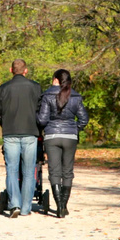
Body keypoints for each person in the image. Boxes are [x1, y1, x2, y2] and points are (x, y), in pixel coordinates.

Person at [36, 69, 88, 218]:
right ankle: (63, 206)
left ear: (56, 80)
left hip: (52, 136)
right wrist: (74, 129)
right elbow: (84, 119)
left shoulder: (47, 95)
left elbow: (43, 120)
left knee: (54, 172)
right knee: (67, 172)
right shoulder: (76, 96)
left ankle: (59, 205)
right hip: (70, 137)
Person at [0, 59, 42, 218]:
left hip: (10, 133)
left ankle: (14, 203)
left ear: (11, 70)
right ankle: (26, 208)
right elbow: (40, 110)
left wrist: (6, 125)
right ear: (25, 71)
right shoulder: (35, 87)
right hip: (30, 132)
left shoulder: (3, 89)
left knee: (12, 170)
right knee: (29, 172)